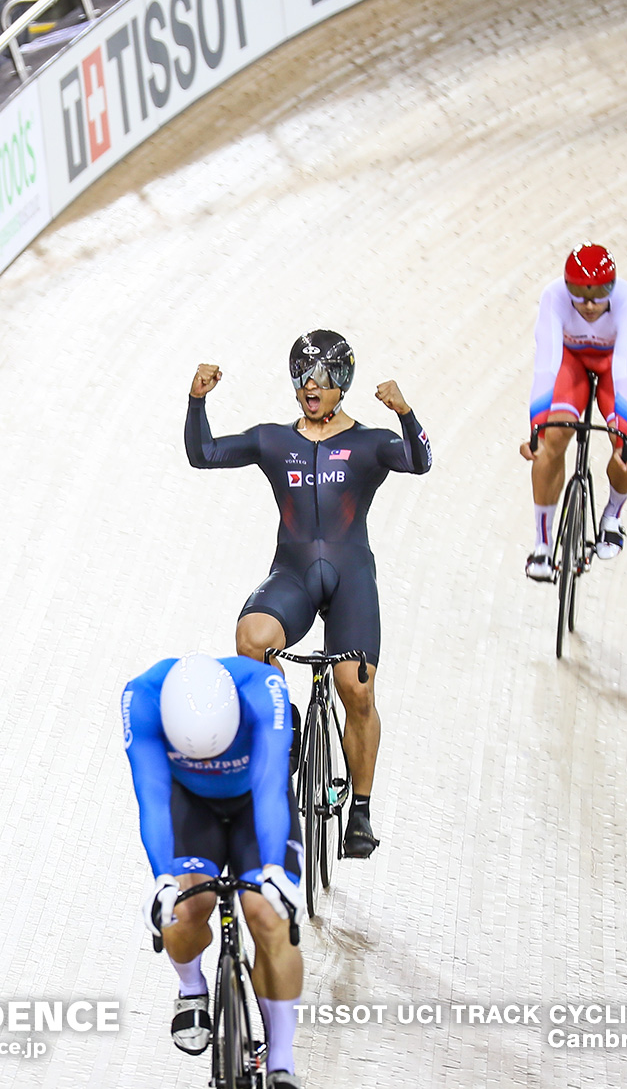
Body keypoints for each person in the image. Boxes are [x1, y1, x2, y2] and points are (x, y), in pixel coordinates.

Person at [185, 332, 430, 859]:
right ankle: (284, 720)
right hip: (293, 575)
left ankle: (359, 812)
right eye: (301, 377)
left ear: (342, 383)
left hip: (350, 580)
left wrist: (405, 411)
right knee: (251, 638)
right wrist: (197, 400)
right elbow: (203, 455)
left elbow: (420, 459)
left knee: (356, 690)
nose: (309, 386)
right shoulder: (274, 440)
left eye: (319, 376)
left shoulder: (370, 443)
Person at [123, 653, 304, 1087]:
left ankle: (281, 1055)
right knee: (182, 910)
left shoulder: (264, 691)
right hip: (191, 805)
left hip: (255, 803)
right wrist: (163, 878)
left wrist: (275, 870)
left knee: (267, 916)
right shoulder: (142, 697)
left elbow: (271, 786)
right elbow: (151, 795)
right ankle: (191, 989)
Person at [523, 243, 627, 577]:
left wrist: (622, 438)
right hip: (571, 363)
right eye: (578, 294)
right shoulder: (553, 297)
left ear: (613, 287)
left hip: (614, 367)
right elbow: (546, 365)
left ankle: (612, 515)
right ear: (567, 288)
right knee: (549, 443)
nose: (589, 305)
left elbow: (624, 371)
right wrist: (536, 429)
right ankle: (542, 546)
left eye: (599, 294)